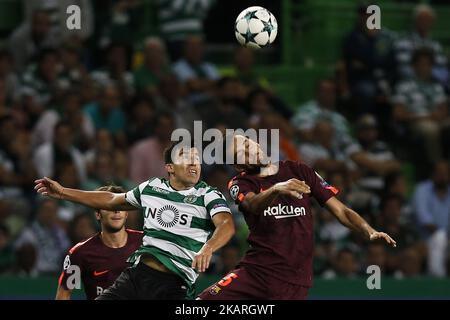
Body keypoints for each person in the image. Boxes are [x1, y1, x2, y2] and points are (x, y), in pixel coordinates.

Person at [199, 135, 396, 300]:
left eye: (249, 144)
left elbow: (341, 210)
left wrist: (369, 230)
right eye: (243, 152)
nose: (252, 150)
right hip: (257, 272)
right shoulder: (241, 182)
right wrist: (276, 189)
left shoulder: (299, 170)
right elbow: (253, 204)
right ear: (238, 165)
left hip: (295, 281)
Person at [35, 141, 235, 299]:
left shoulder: (208, 194)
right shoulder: (151, 188)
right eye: (186, 157)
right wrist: (63, 192)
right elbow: (112, 200)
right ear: (170, 167)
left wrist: (208, 247)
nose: (194, 163)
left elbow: (226, 224)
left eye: (197, 159)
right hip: (138, 276)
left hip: (176, 284)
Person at [56, 185, 143, 300]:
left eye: (120, 207)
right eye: (110, 207)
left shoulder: (146, 242)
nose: (116, 211)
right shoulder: (80, 253)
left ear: (126, 213)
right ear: (98, 214)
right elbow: (64, 294)